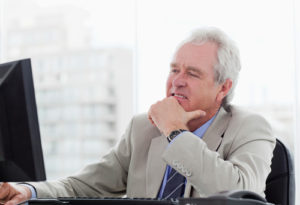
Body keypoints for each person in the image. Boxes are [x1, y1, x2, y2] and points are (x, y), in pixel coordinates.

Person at [0, 27, 276, 205]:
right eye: (174, 70)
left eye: (192, 73)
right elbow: (81, 186)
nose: (177, 81)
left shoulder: (249, 127)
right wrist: (27, 191)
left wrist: (176, 132)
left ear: (223, 87)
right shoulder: (143, 128)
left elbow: (242, 197)